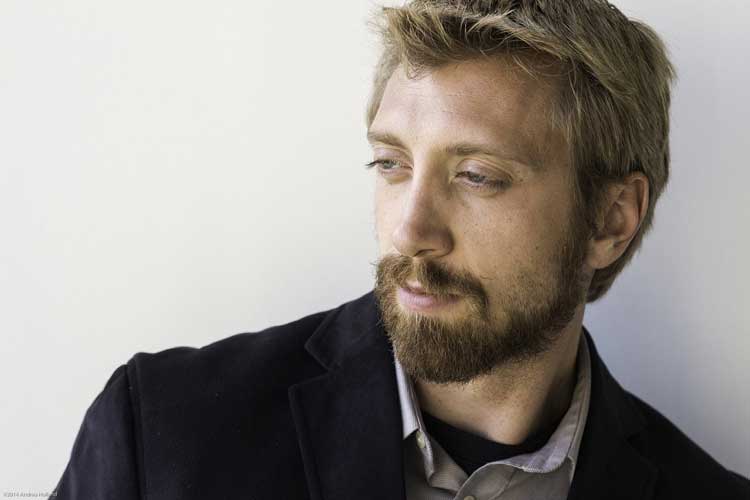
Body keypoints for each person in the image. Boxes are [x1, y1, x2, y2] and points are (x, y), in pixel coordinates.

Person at [50, 1, 749, 499]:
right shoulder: (161, 435)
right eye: (391, 164)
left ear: (611, 222)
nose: (411, 232)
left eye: (477, 176)